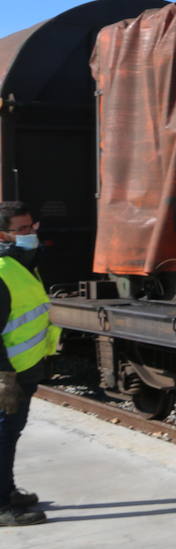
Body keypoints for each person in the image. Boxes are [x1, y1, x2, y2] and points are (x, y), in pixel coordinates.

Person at [0, 202, 59, 526]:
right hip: (10, 371)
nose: (30, 234)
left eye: (31, 227)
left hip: (26, 366)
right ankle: (1, 507)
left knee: (11, 432)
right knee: (4, 434)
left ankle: (7, 491)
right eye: (22, 230)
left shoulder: (21, 265)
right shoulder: (3, 270)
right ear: (3, 234)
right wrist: (3, 377)